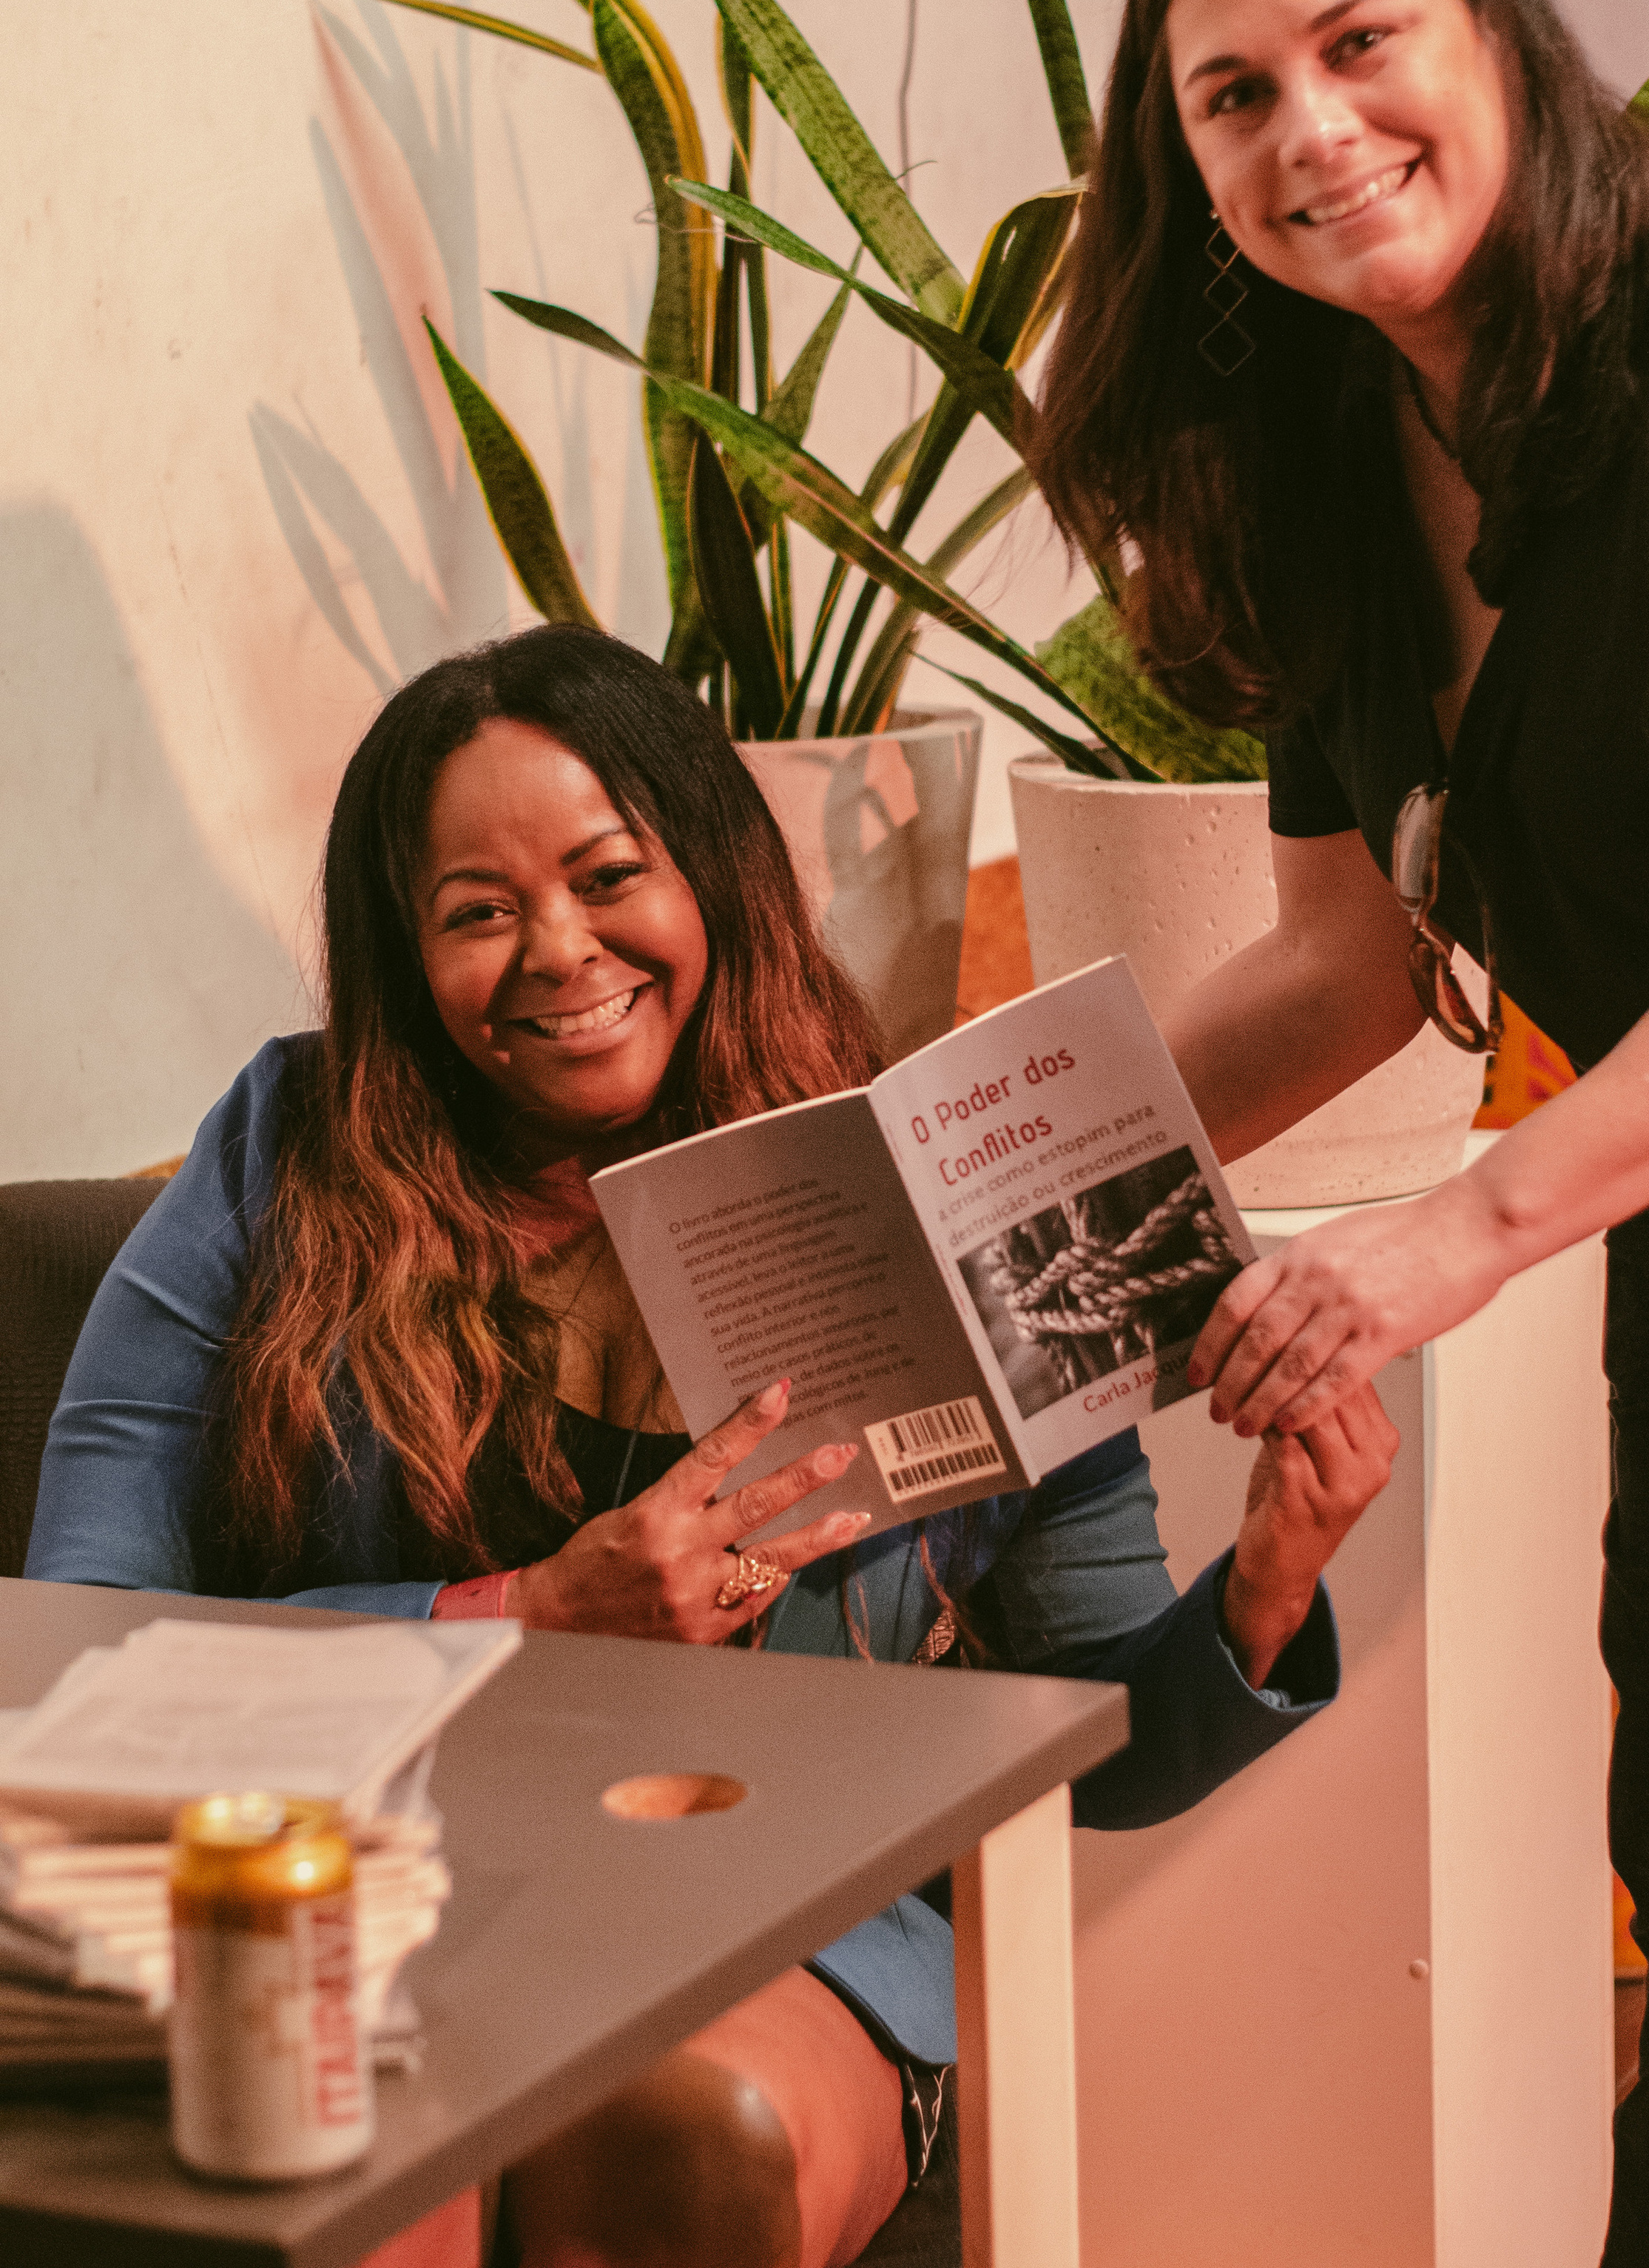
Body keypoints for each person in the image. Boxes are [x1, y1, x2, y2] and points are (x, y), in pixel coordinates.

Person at [27, 623, 1396, 2268]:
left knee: (683, 2131)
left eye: (610, 875)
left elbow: (1097, 1743)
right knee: (380, 2170)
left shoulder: (938, 1195)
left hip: (792, 1932)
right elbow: (79, 1651)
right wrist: (515, 1615)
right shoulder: (281, 1162)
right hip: (379, 1890)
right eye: (476, 911)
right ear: (405, 953)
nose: (556, 950)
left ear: (714, 879)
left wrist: (1267, 1579)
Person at [1030, 0, 1649, 2268]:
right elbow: (1339, 961)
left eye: (1357, 40)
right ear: (1182, 165)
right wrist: (975, 1182)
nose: (1313, 129)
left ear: (1492, 31)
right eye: (1231, 97)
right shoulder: (1323, 457)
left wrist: (1456, 1232)